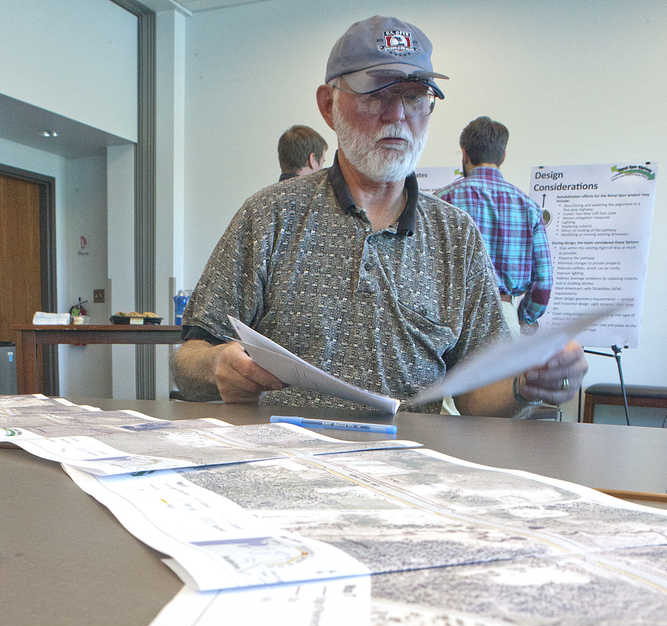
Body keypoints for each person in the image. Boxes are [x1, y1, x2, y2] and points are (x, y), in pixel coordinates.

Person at [173, 15, 586, 415]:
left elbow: (475, 393)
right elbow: (188, 359)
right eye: (376, 94)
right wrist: (215, 365)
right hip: (288, 461)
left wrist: (526, 383)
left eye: (413, 96)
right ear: (328, 105)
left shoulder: (456, 236)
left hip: (411, 468)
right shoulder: (268, 216)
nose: (397, 115)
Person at [434, 116, 552, 338]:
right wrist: (522, 318)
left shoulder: (441, 201)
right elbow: (543, 282)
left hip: (450, 319)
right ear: (503, 156)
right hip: (504, 313)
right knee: (504, 374)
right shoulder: (528, 207)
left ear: (465, 153)